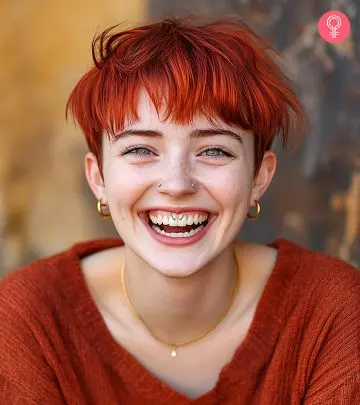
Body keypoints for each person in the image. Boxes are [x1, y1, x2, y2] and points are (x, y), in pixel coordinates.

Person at [0, 16, 359, 405]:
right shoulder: (29, 320)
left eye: (214, 150)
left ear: (259, 175)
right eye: (140, 149)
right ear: (98, 175)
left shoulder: (330, 312)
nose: (176, 184)